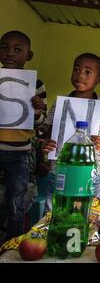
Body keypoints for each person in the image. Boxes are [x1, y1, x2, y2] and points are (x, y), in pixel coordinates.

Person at [41, 53, 100, 209]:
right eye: (76, 69)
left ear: (99, 79)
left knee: (91, 211)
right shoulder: (60, 104)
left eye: (88, 72)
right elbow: (50, 129)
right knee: (54, 211)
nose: (80, 74)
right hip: (60, 169)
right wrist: (48, 143)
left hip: (90, 172)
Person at [0, 30, 46, 241]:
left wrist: (37, 111)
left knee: (16, 201)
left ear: (29, 55)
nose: (10, 53)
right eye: (4, 48)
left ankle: (12, 242)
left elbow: (40, 122)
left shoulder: (36, 85)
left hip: (20, 152)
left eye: (17, 50)